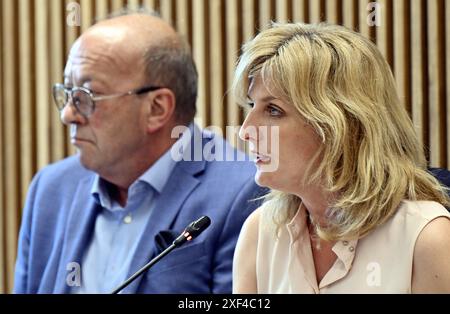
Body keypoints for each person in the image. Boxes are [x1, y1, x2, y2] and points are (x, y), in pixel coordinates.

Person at [14, 13, 263, 294]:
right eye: (67, 92)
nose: (67, 114)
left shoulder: (243, 193)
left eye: (86, 96)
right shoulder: (50, 189)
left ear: (157, 108)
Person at [232, 22, 450, 293]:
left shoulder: (426, 239)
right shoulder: (259, 233)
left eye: (274, 110)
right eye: (252, 106)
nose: (245, 131)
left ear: (339, 125)